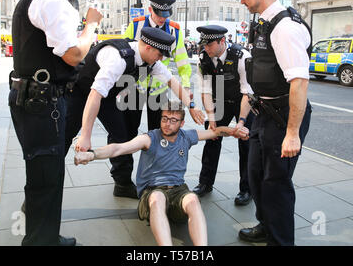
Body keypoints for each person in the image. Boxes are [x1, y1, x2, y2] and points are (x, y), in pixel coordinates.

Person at [8, 0, 103, 246]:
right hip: (43, 102)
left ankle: (44, 234)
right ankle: (40, 242)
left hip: (33, 99)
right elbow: (74, 54)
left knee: (43, 173)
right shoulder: (52, 0)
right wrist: (91, 25)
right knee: (47, 177)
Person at [74, 101, 250, 246]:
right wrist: (92, 154)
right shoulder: (150, 138)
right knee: (158, 198)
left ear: (181, 123)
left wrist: (235, 131)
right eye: (165, 118)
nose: (167, 124)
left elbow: (215, 131)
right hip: (152, 192)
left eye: (173, 120)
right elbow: (119, 148)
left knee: (193, 199)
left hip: (177, 190)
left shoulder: (186, 136)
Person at [68, 27, 205, 199]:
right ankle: (46, 185)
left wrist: (192, 106)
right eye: (160, 54)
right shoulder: (118, 58)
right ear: (148, 48)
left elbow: (172, 82)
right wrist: (85, 135)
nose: (161, 59)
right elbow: (94, 95)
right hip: (81, 93)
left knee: (122, 135)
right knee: (64, 137)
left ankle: (122, 184)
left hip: (107, 98)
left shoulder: (151, 63)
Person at [232, 0, 312, 246]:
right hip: (263, 114)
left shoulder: (285, 28)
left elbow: (299, 83)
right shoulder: (264, 23)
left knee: (276, 183)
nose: (241, 0)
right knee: (255, 176)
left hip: (283, 117)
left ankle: (280, 241)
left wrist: (293, 133)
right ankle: (265, 225)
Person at [192, 25, 254, 206]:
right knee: (211, 139)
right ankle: (205, 183)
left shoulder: (242, 57)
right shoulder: (203, 59)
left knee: (247, 144)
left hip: (243, 101)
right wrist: (211, 119)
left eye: (209, 44)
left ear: (222, 41)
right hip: (219, 101)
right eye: (203, 45)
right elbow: (205, 91)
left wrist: (241, 121)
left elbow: (248, 93)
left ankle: (247, 189)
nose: (206, 49)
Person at [123, 0, 193, 131]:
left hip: (159, 86)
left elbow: (182, 61)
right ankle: (125, 152)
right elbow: (124, 52)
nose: (163, 18)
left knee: (158, 129)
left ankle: (154, 153)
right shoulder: (137, 25)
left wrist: (185, 85)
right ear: (150, 10)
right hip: (135, 84)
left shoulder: (174, 29)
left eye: (166, 14)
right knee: (128, 126)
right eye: (159, 14)